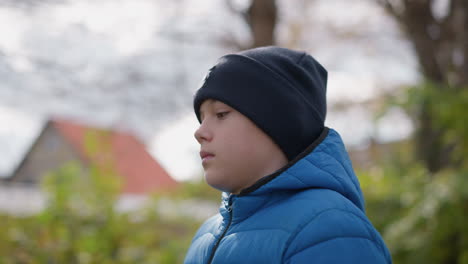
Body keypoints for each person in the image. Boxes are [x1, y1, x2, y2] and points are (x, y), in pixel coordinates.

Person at [184, 46, 392, 264]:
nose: (200, 132)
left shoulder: (328, 229)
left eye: (221, 114)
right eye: (202, 118)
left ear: (277, 125)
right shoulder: (205, 234)